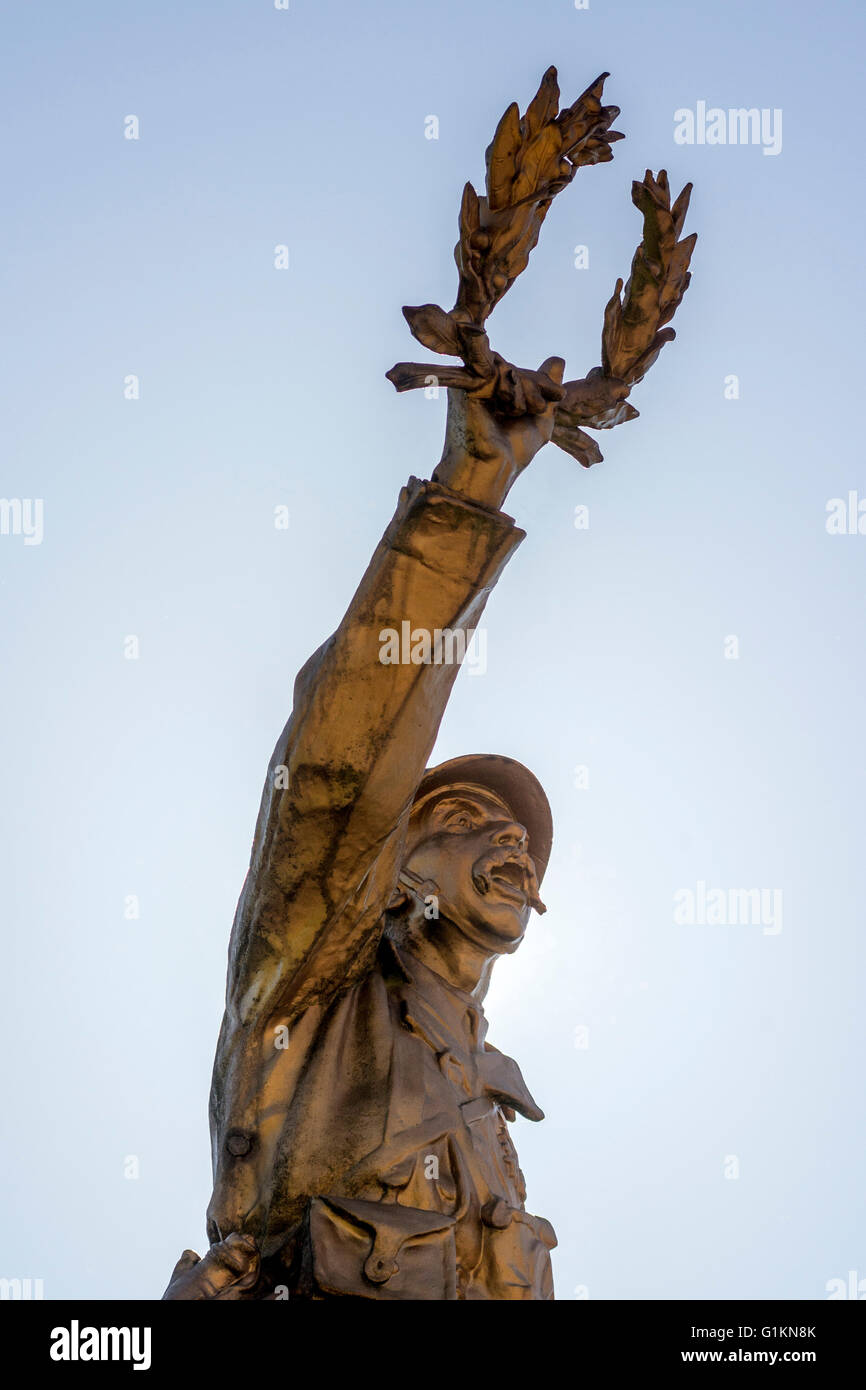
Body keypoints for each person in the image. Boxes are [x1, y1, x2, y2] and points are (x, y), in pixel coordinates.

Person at [164, 356, 569, 1300]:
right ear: (394, 868)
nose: (510, 843)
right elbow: (335, 777)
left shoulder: (491, 1091)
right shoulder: (312, 997)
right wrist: (475, 487)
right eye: (467, 820)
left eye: (520, 840)